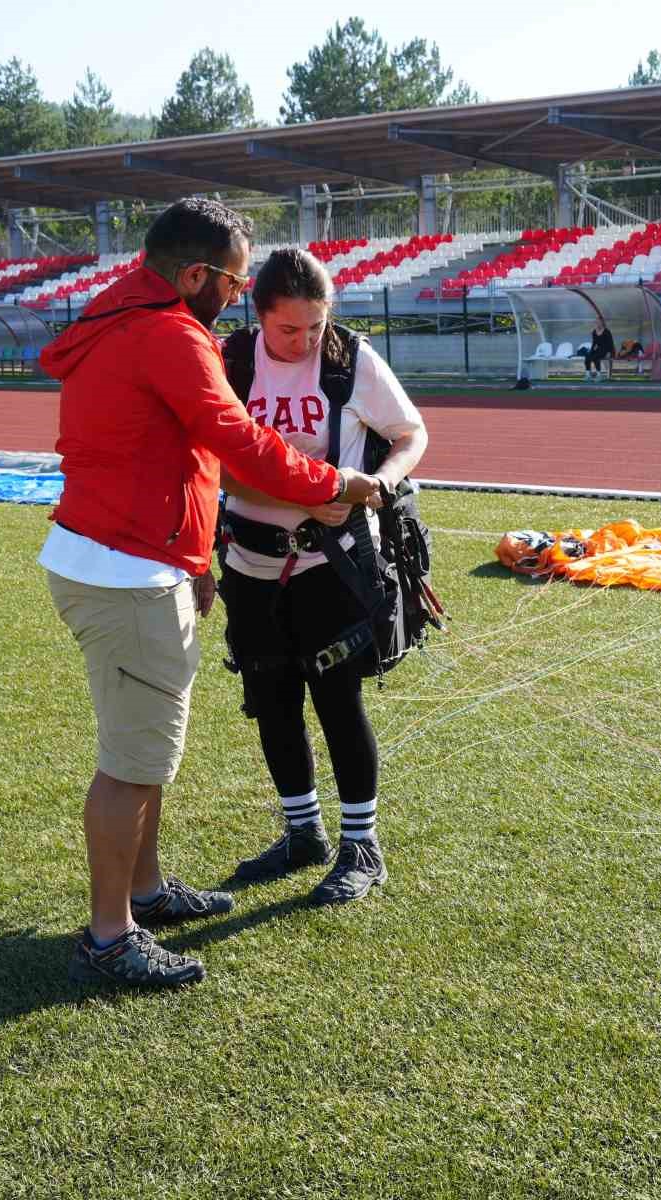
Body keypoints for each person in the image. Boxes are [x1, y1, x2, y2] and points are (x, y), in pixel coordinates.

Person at [40, 200, 381, 990]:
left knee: (147, 752)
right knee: (131, 762)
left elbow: (165, 450)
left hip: (125, 555)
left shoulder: (118, 312)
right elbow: (240, 442)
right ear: (194, 275)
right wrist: (335, 482)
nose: (237, 295)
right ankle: (108, 934)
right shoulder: (169, 334)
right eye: (232, 281)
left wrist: (195, 557)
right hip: (126, 569)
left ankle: (146, 894)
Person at [215, 247, 428, 906]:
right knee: (271, 699)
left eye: (317, 324)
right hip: (250, 564)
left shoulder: (350, 360)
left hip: (331, 565)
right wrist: (301, 496)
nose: (307, 340)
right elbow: (209, 461)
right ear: (258, 313)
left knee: (339, 702)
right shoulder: (231, 363)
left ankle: (360, 844)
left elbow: (409, 433)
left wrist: (382, 486)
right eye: (290, 329)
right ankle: (301, 832)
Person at [583, 315, 615, 381]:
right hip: (598, 349)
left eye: (599, 321)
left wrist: (609, 352)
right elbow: (594, 343)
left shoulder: (607, 331)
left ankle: (599, 375)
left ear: (602, 322)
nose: (598, 323)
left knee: (595, 358)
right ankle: (588, 375)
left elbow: (610, 343)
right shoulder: (594, 332)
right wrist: (591, 351)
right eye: (596, 322)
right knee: (587, 357)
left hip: (606, 350)